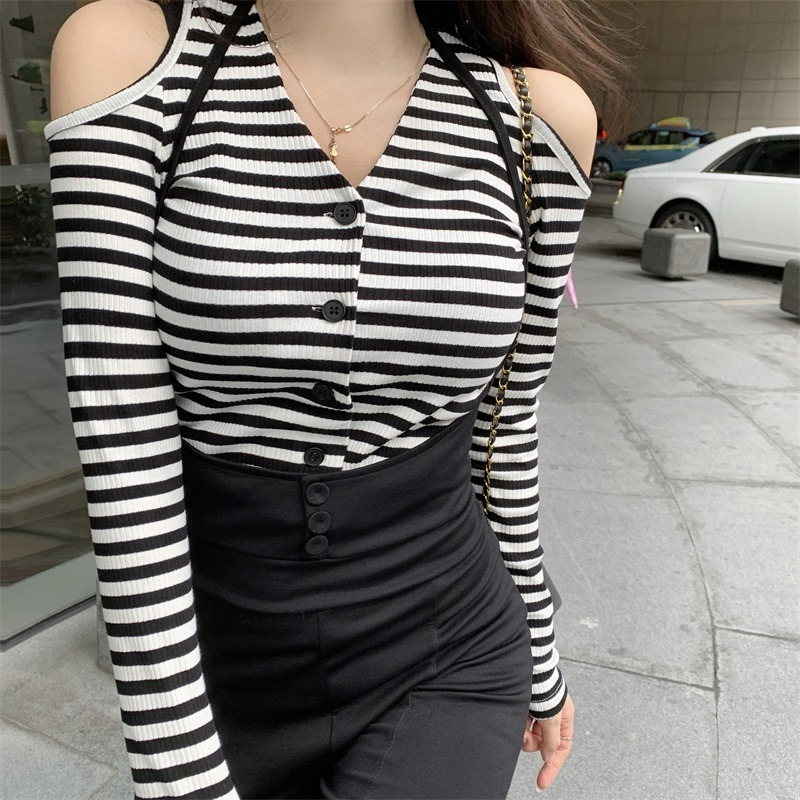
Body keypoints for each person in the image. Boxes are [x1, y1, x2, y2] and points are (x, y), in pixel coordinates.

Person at [45, 0, 628, 797]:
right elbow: (120, 436)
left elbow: (506, 424)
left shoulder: (538, 116)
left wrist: (542, 657)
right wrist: (176, 773)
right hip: (219, 667)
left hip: (452, 647)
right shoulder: (137, 57)